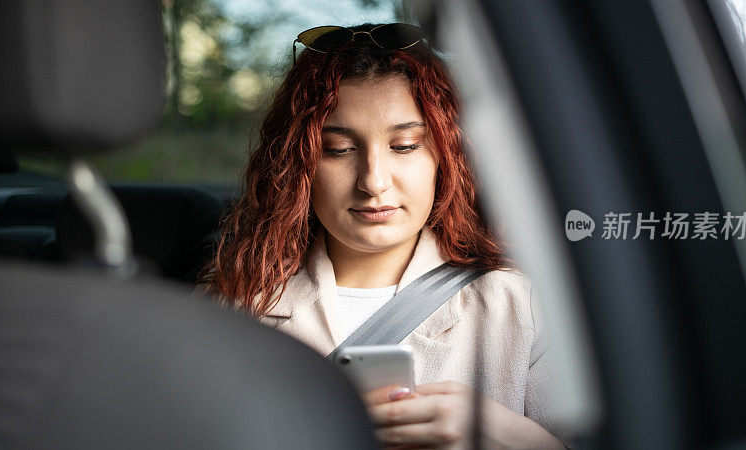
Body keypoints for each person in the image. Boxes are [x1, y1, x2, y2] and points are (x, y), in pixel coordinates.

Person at [201, 23, 571, 449]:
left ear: (447, 156)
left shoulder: (519, 306)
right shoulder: (233, 305)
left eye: (406, 145)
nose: (374, 181)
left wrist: (509, 437)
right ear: (299, 165)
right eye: (339, 149)